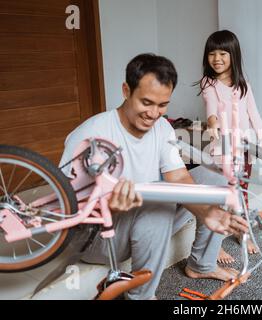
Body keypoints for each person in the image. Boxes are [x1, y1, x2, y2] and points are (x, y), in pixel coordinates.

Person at [59, 53, 248, 300]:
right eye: (146, 102)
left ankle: (202, 264)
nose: (154, 113)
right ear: (126, 90)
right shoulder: (90, 135)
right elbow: (68, 214)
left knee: (214, 179)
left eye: (162, 105)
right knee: (157, 202)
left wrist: (208, 213)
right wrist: (110, 206)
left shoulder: (161, 127)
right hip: (94, 237)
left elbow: (179, 179)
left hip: (138, 219)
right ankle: (141, 297)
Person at [196, 30, 262, 264]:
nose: (217, 58)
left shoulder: (243, 85)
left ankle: (243, 233)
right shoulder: (208, 82)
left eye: (222, 53)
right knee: (219, 198)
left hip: (244, 151)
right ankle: (215, 245)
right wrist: (212, 122)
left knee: (242, 196)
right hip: (221, 151)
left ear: (233, 55)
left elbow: (254, 115)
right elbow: (211, 107)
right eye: (212, 53)